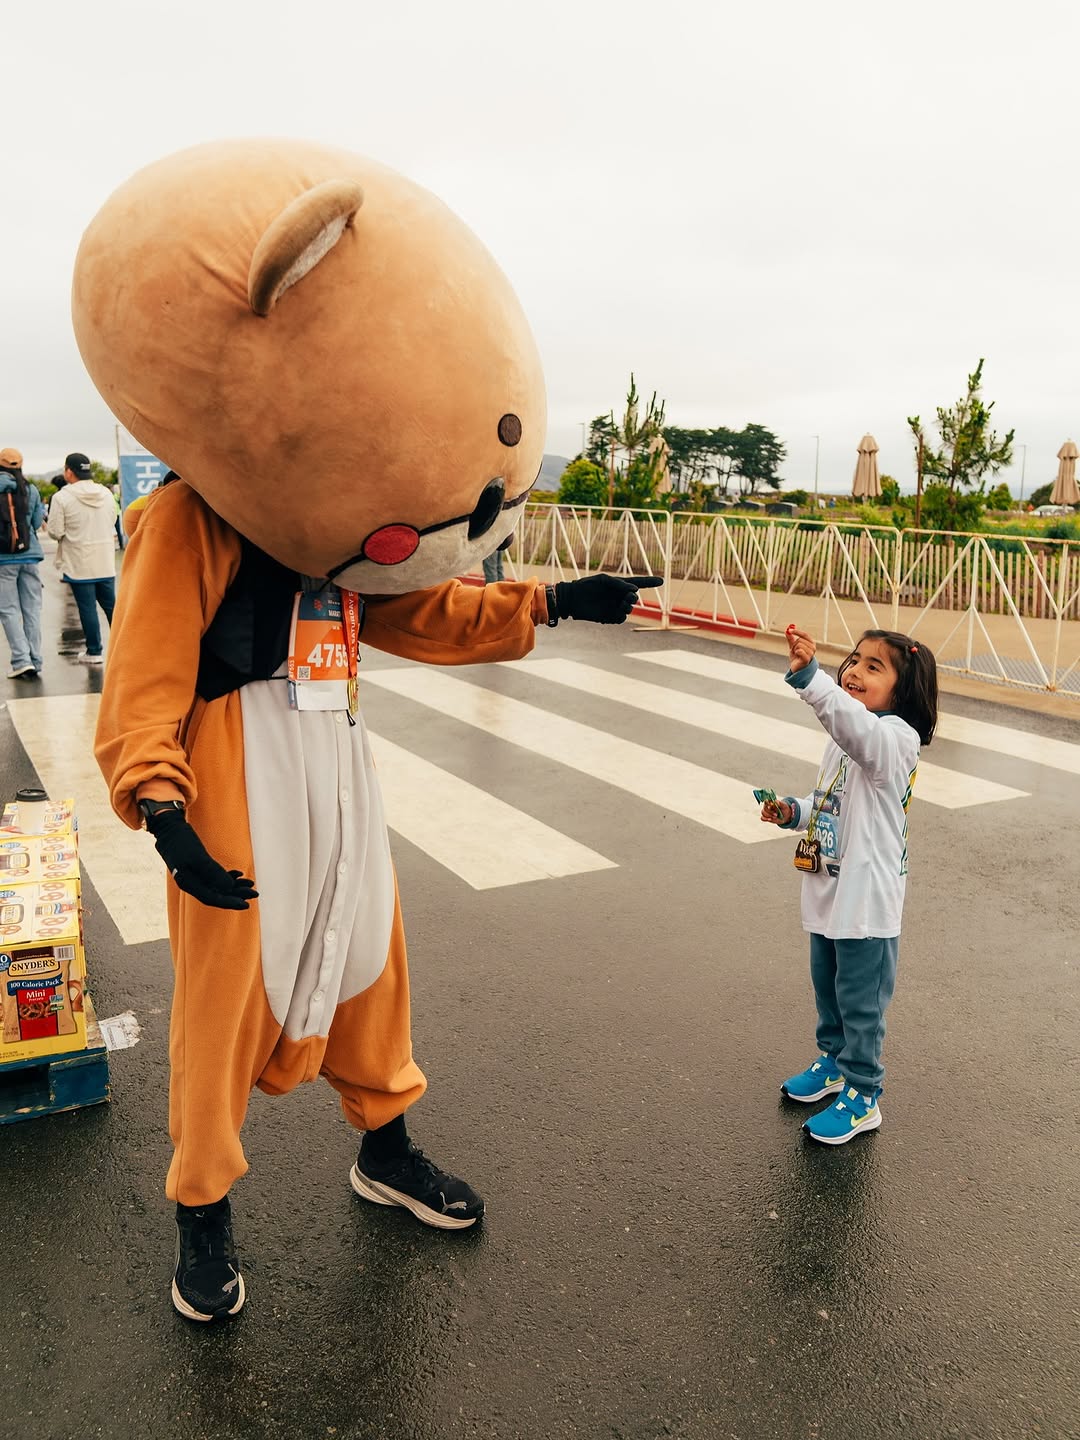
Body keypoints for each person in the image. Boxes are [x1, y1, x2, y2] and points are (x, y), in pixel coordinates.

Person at [75, 137, 663, 1323]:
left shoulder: (328, 531)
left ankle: (384, 1148)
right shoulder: (194, 522)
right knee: (221, 1000)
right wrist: (164, 811)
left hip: (335, 748)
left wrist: (549, 601)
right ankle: (203, 1210)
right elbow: (140, 679)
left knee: (367, 962)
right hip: (236, 768)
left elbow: (421, 611)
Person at [759, 625, 938, 1144]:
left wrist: (812, 681)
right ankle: (833, 1063)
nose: (855, 670)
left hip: (867, 905)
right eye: (854, 660)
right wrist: (795, 811)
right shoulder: (845, 743)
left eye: (873, 667)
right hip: (831, 894)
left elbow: (856, 729)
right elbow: (830, 801)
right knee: (829, 990)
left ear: (901, 693)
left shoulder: (894, 741)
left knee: (862, 1003)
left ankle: (863, 1094)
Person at [45, 453, 119, 665]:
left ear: (69, 471)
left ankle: (94, 651)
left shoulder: (61, 497)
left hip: (78, 561)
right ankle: (126, 649)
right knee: (112, 606)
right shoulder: (105, 493)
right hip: (104, 559)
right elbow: (112, 519)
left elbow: (55, 531)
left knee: (87, 608)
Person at [0, 446, 46, 680]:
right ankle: (35, 659)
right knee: (32, 610)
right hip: (30, 555)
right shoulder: (31, 489)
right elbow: (37, 522)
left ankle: (21, 660)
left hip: (3, 560)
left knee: (8, 610)